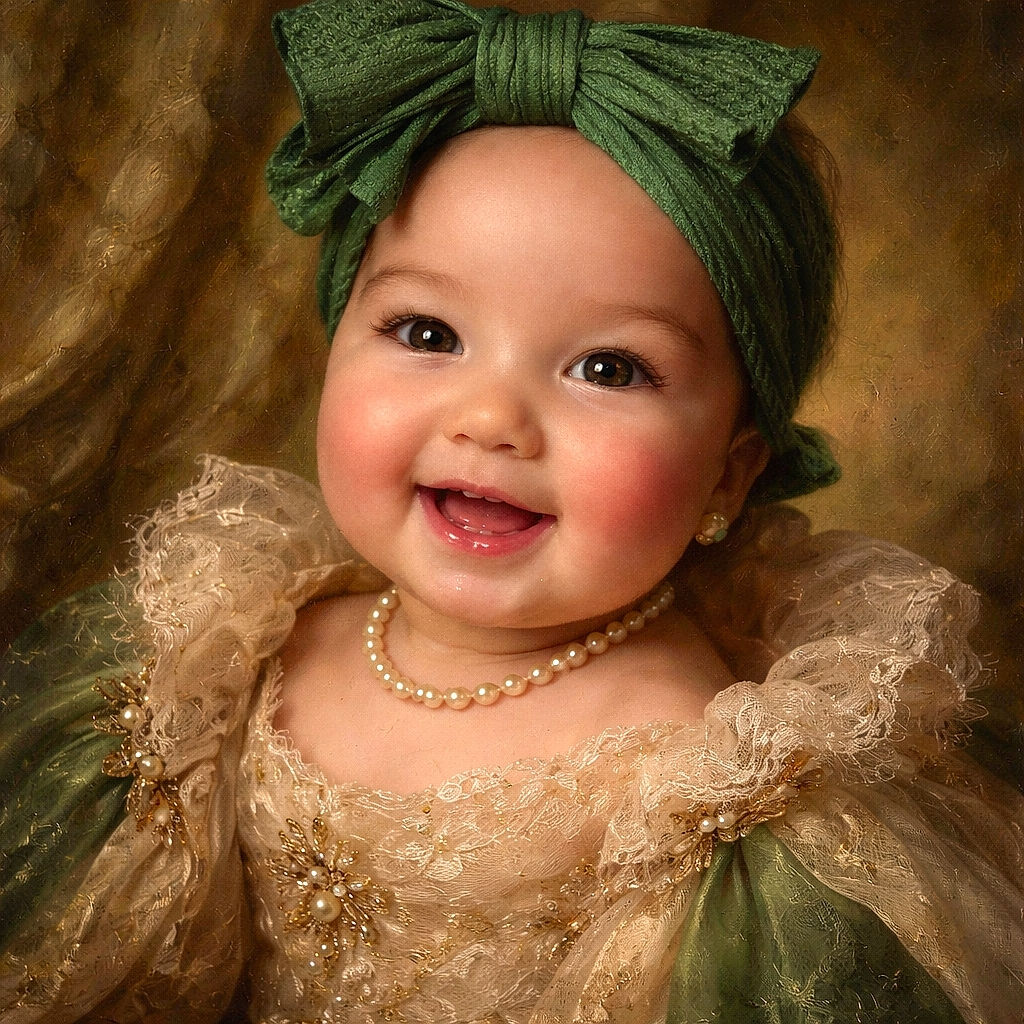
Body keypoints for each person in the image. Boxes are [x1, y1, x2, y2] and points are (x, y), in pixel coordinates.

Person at [1, 0, 1021, 1021]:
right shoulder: (231, 658)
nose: (491, 419)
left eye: (607, 366)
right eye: (427, 331)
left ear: (729, 475)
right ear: (334, 342)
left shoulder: (701, 774)